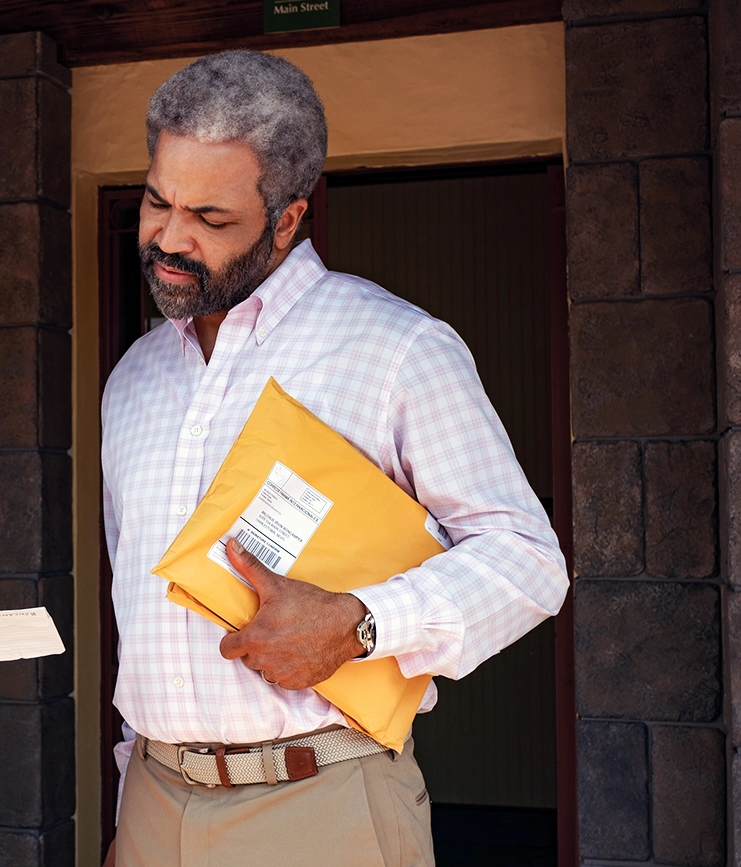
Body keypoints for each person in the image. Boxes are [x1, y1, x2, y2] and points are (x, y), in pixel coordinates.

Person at [100, 51, 568, 866]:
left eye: (210, 218)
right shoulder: (133, 377)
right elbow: (136, 608)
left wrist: (361, 624)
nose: (169, 238)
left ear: (287, 219)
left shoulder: (397, 348)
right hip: (151, 802)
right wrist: (127, 805)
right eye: (156, 201)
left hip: (324, 807)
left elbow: (529, 562)